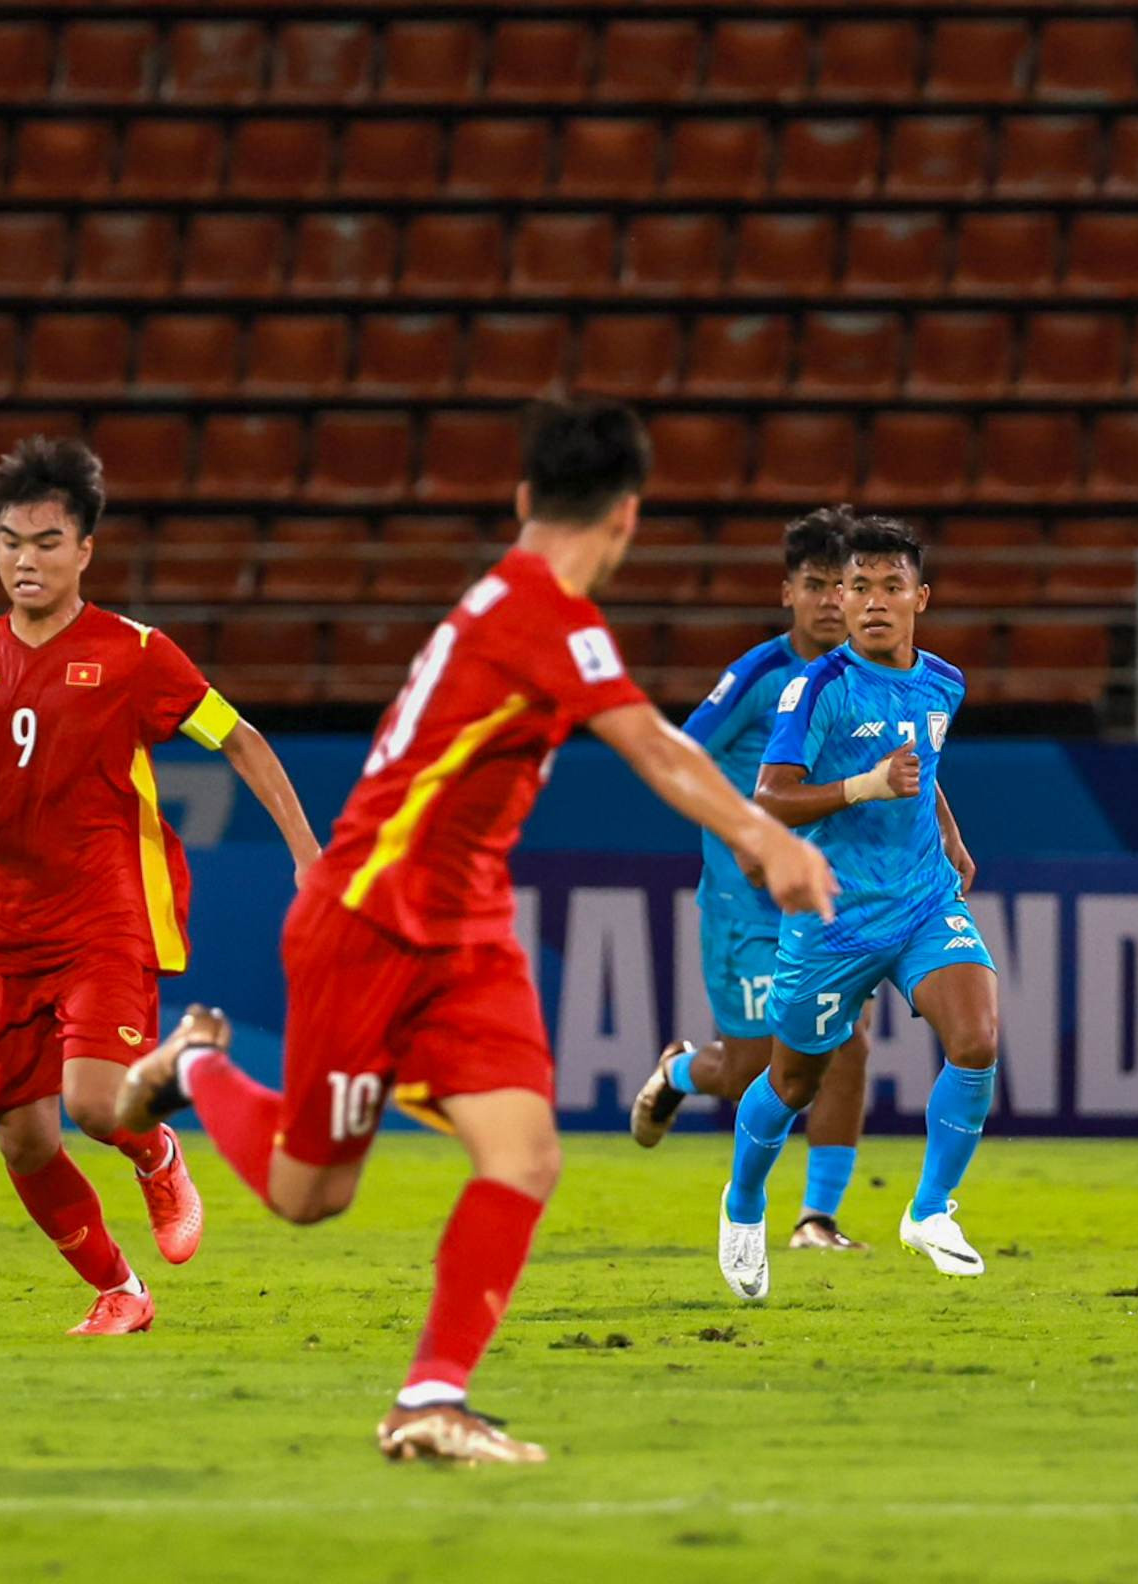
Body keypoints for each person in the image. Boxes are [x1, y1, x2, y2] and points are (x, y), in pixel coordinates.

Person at [115, 401, 837, 1464]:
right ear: (629, 517)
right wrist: (762, 837)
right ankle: (196, 1066)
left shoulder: (511, 599)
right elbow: (650, 744)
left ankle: (429, 1399)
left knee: (525, 1156)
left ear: (523, 497)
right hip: (367, 920)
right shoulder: (541, 613)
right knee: (309, 1194)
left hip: (466, 931)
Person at [0, 436, 322, 1335]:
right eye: (10, 541)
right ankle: (121, 1289)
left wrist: (306, 851)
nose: (25, 560)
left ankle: (156, 1153)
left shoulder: (136, 654)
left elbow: (239, 738)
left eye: (47, 542)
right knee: (22, 1138)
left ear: (85, 550)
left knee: (92, 1103)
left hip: (103, 909)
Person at [717, 515, 998, 1302]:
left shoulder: (944, 682)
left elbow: (922, 764)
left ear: (920, 598)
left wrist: (950, 835)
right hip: (833, 917)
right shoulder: (819, 687)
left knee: (976, 1039)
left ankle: (930, 1210)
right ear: (839, 598)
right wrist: (865, 786)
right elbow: (771, 796)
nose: (874, 601)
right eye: (859, 587)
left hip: (921, 901)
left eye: (891, 586)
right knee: (792, 1083)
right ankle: (744, 1202)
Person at [630, 508, 874, 1251]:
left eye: (843, 586)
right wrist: (744, 831)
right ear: (787, 593)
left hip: (829, 898)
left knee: (846, 1043)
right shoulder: (760, 676)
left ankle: (816, 1219)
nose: (830, 600)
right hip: (748, 908)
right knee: (753, 1071)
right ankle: (681, 1072)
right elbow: (679, 756)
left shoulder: (869, 675)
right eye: (815, 585)